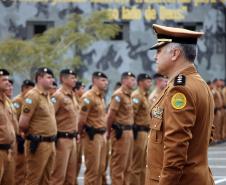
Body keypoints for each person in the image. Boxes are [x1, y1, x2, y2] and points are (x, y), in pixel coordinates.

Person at [145, 24, 215, 185]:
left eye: (159, 51)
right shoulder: (199, 84)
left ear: (175, 53)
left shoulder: (180, 90)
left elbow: (175, 150)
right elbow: (206, 135)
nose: (155, 57)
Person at [19, 67, 57, 185]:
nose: (52, 80)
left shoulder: (46, 96)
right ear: (40, 78)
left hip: (50, 142)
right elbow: (23, 123)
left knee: (46, 179)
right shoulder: (33, 95)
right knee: (34, 178)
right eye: (49, 77)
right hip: (38, 143)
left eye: (52, 77)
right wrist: (31, 136)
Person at [78, 72, 108, 185]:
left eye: (106, 80)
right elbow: (81, 120)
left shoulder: (101, 97)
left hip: (101, 136)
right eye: (103, 80)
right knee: (92, 171)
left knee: (101, 169)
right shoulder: (88, 97)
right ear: (94, 80)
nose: (106, 83)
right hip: (92, 137)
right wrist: (80, 134)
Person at [50, 69, 79, 185]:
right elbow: (50, 117)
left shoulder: (72, 95)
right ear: (63, 79)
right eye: (72, 78)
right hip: (61, 139)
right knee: (58, 176)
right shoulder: (57, 96)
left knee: (71, 177)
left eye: (75, 77)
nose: (75, 80)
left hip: (72, 139)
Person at [107, 72, 136, 185]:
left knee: (128, 166)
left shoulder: (129, 95)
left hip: (129, 131)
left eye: (134, 80)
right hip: (121, 133)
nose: (133, 82)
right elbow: (111, 115)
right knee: (118, 166)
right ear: (124, 81)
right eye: (131, 80)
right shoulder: (118, 95)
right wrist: (108, 131)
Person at [130, 73, 152, 185]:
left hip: (146, 131)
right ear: (141, 82)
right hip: (139, 132)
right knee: (136, 165)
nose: (150, 83)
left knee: (144, 164)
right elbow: (132, 115)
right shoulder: (137, 96)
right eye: (147, 81)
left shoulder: (145, 96)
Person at [12, 79, 35, 185]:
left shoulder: (28, 100)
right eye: (30, 89)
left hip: (26, 138)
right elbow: (14, 120)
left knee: (27, 170)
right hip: (19, 139)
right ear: (24, 88)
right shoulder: (18, 101)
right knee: (19, 170)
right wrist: (19, 135)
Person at [0, 69, 16, 185]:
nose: (7, 82)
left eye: (8, 79)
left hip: (9, 150)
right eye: (3, 80)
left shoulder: (7, 102)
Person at [73, 80, 86, 185]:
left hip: (78, 135)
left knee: (77, 162)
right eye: (82, 88)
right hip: (71, 136)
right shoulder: (73, 100)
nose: (84, 90)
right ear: (76, 90)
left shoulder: (80, 101)